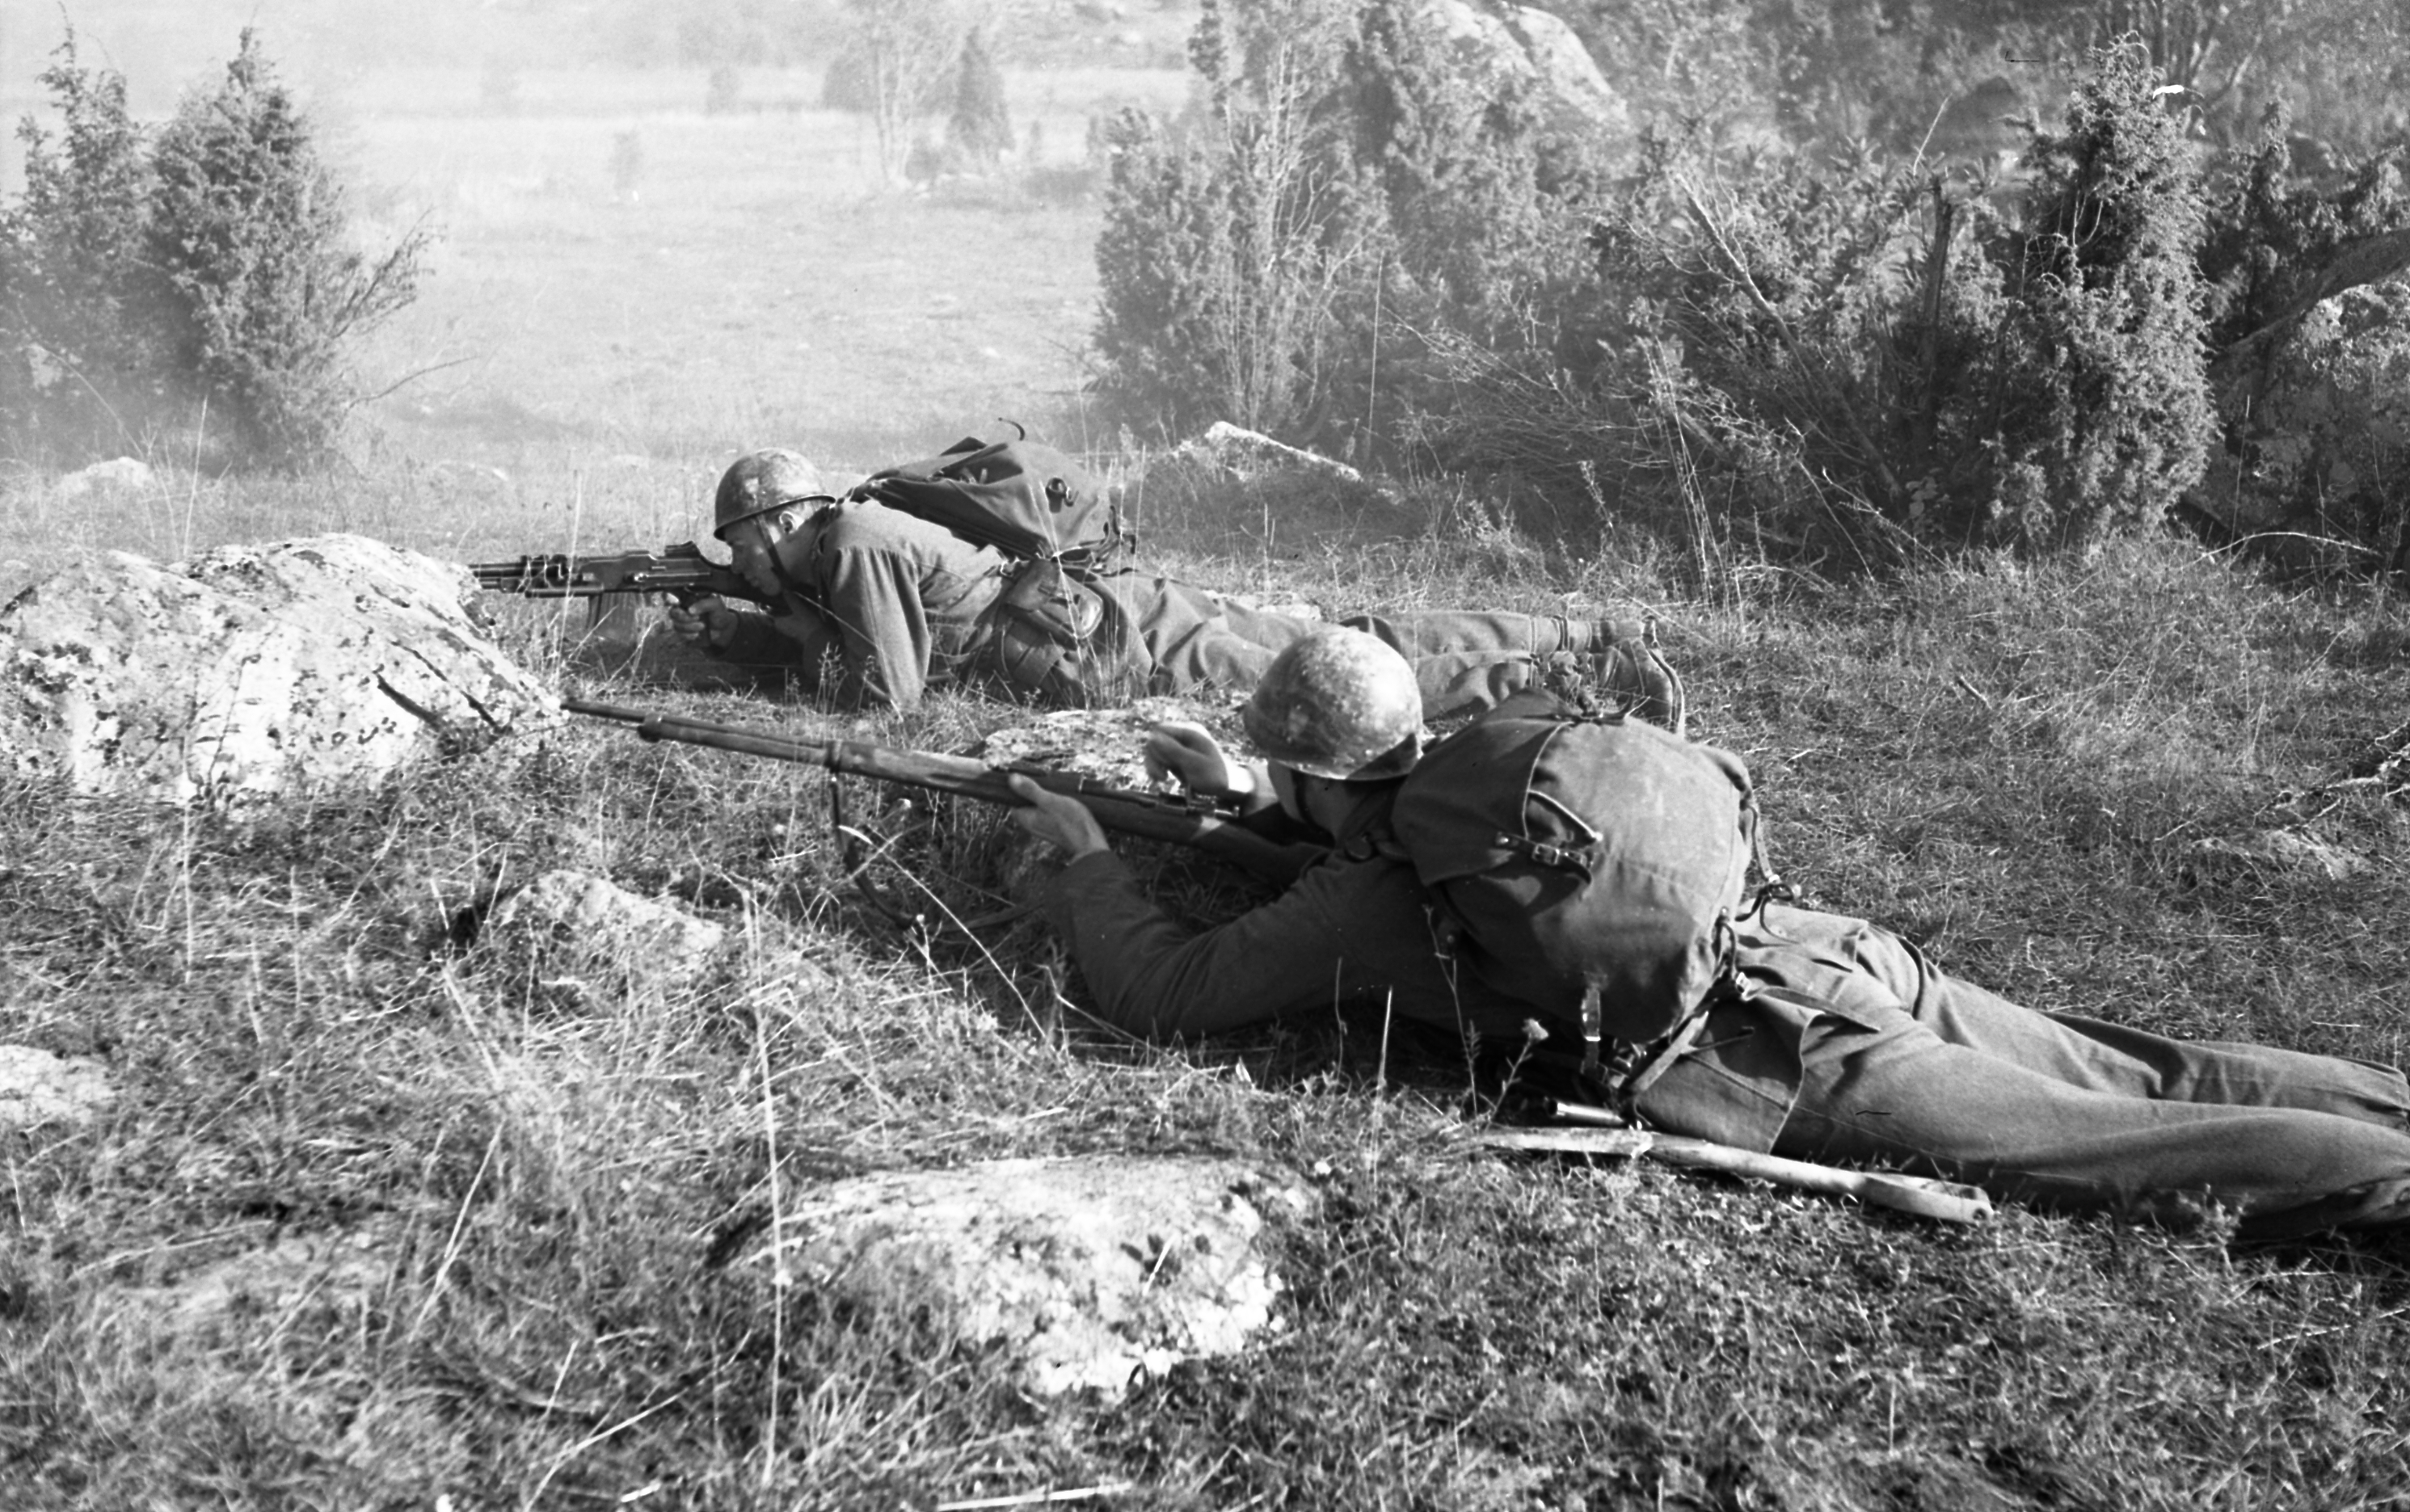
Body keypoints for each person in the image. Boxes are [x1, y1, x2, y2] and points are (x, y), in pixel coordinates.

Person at [1005, 625, 2410, 1238]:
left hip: (1779, 1054)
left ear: (1316, 771)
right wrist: (1245, 796)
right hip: (1824, 944)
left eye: (1281, 770)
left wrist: (1088, 863)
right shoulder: (1478, 770)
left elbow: (1164, 989)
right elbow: (1364, 823)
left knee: (2114, 1148)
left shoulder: (1363, 898)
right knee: (2132, 1068)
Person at [666, 448, 1679, 720]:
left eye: (743, 542)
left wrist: (774, 647)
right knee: (1345, 637)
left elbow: (886, 694)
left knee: (1326, 678)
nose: (741, 561)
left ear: (783, 520)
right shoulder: (854, 532)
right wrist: (748, 635)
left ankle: (1579, 683)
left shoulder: (850, 547)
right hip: (1115, 606)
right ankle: (1580, 635)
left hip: (1107, 648)